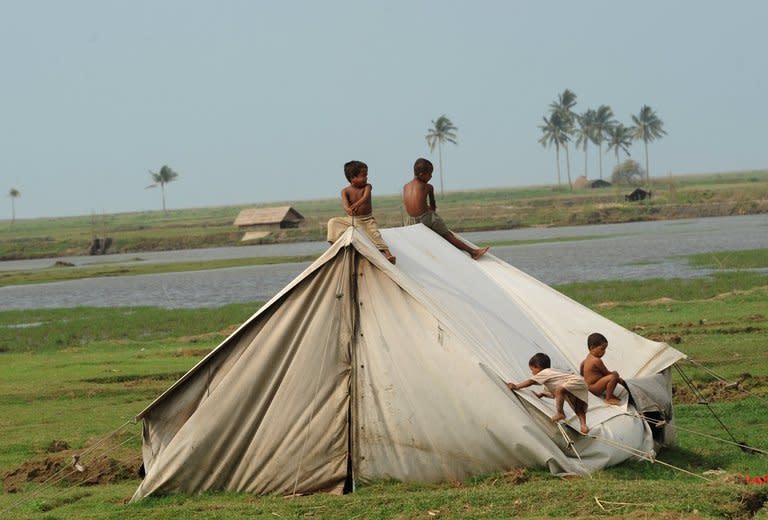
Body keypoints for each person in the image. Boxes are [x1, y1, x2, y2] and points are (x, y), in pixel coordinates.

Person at [402, 158, 489, 260]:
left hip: (410, 221)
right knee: (447, 235)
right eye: (429, 174)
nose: (431, 176)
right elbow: (433, 207)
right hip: (425, 218)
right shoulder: (428, 187)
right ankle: (473, 252)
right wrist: (429, 210)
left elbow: (411, 204)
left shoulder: (405, 187)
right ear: (421, 175)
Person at [327, 160, 396, 264]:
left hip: (367, 220)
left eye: (366, 175)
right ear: (352, 178)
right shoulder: (345, 191)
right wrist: (349, 210)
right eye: (363, 176)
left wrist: (355, 205)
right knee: (333, 222)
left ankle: (388, 254)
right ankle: (333, 248)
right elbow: (345, 206)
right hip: (352, 220)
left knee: (375, 234)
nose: (366, 178)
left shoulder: (367, 187)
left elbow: (365, 198)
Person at [507, 352, 589, 434]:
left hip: (575, 381)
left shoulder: (544, 372)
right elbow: (553, 394)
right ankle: (584, 426)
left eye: (532, 370)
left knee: (560, 390)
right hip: (579, 383)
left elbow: (530, 382)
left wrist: (517, 386)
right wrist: (541, 394)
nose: (532, 373)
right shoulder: (551, 377)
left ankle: (560, 413)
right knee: (578, 407)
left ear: (537, 367)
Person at [581, 332, 625, 405]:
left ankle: (609, 394)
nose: (604, 352)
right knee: (613, 377)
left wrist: (585, 376)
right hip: (593, 388)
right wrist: (616, 375)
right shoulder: (597, 360)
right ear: (592, 348)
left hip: (589, 386)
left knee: (612, 376)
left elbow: (582, 367)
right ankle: (609, 398)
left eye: (605, 349)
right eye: (602, 349)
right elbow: (607, 373)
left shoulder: (587, 358)